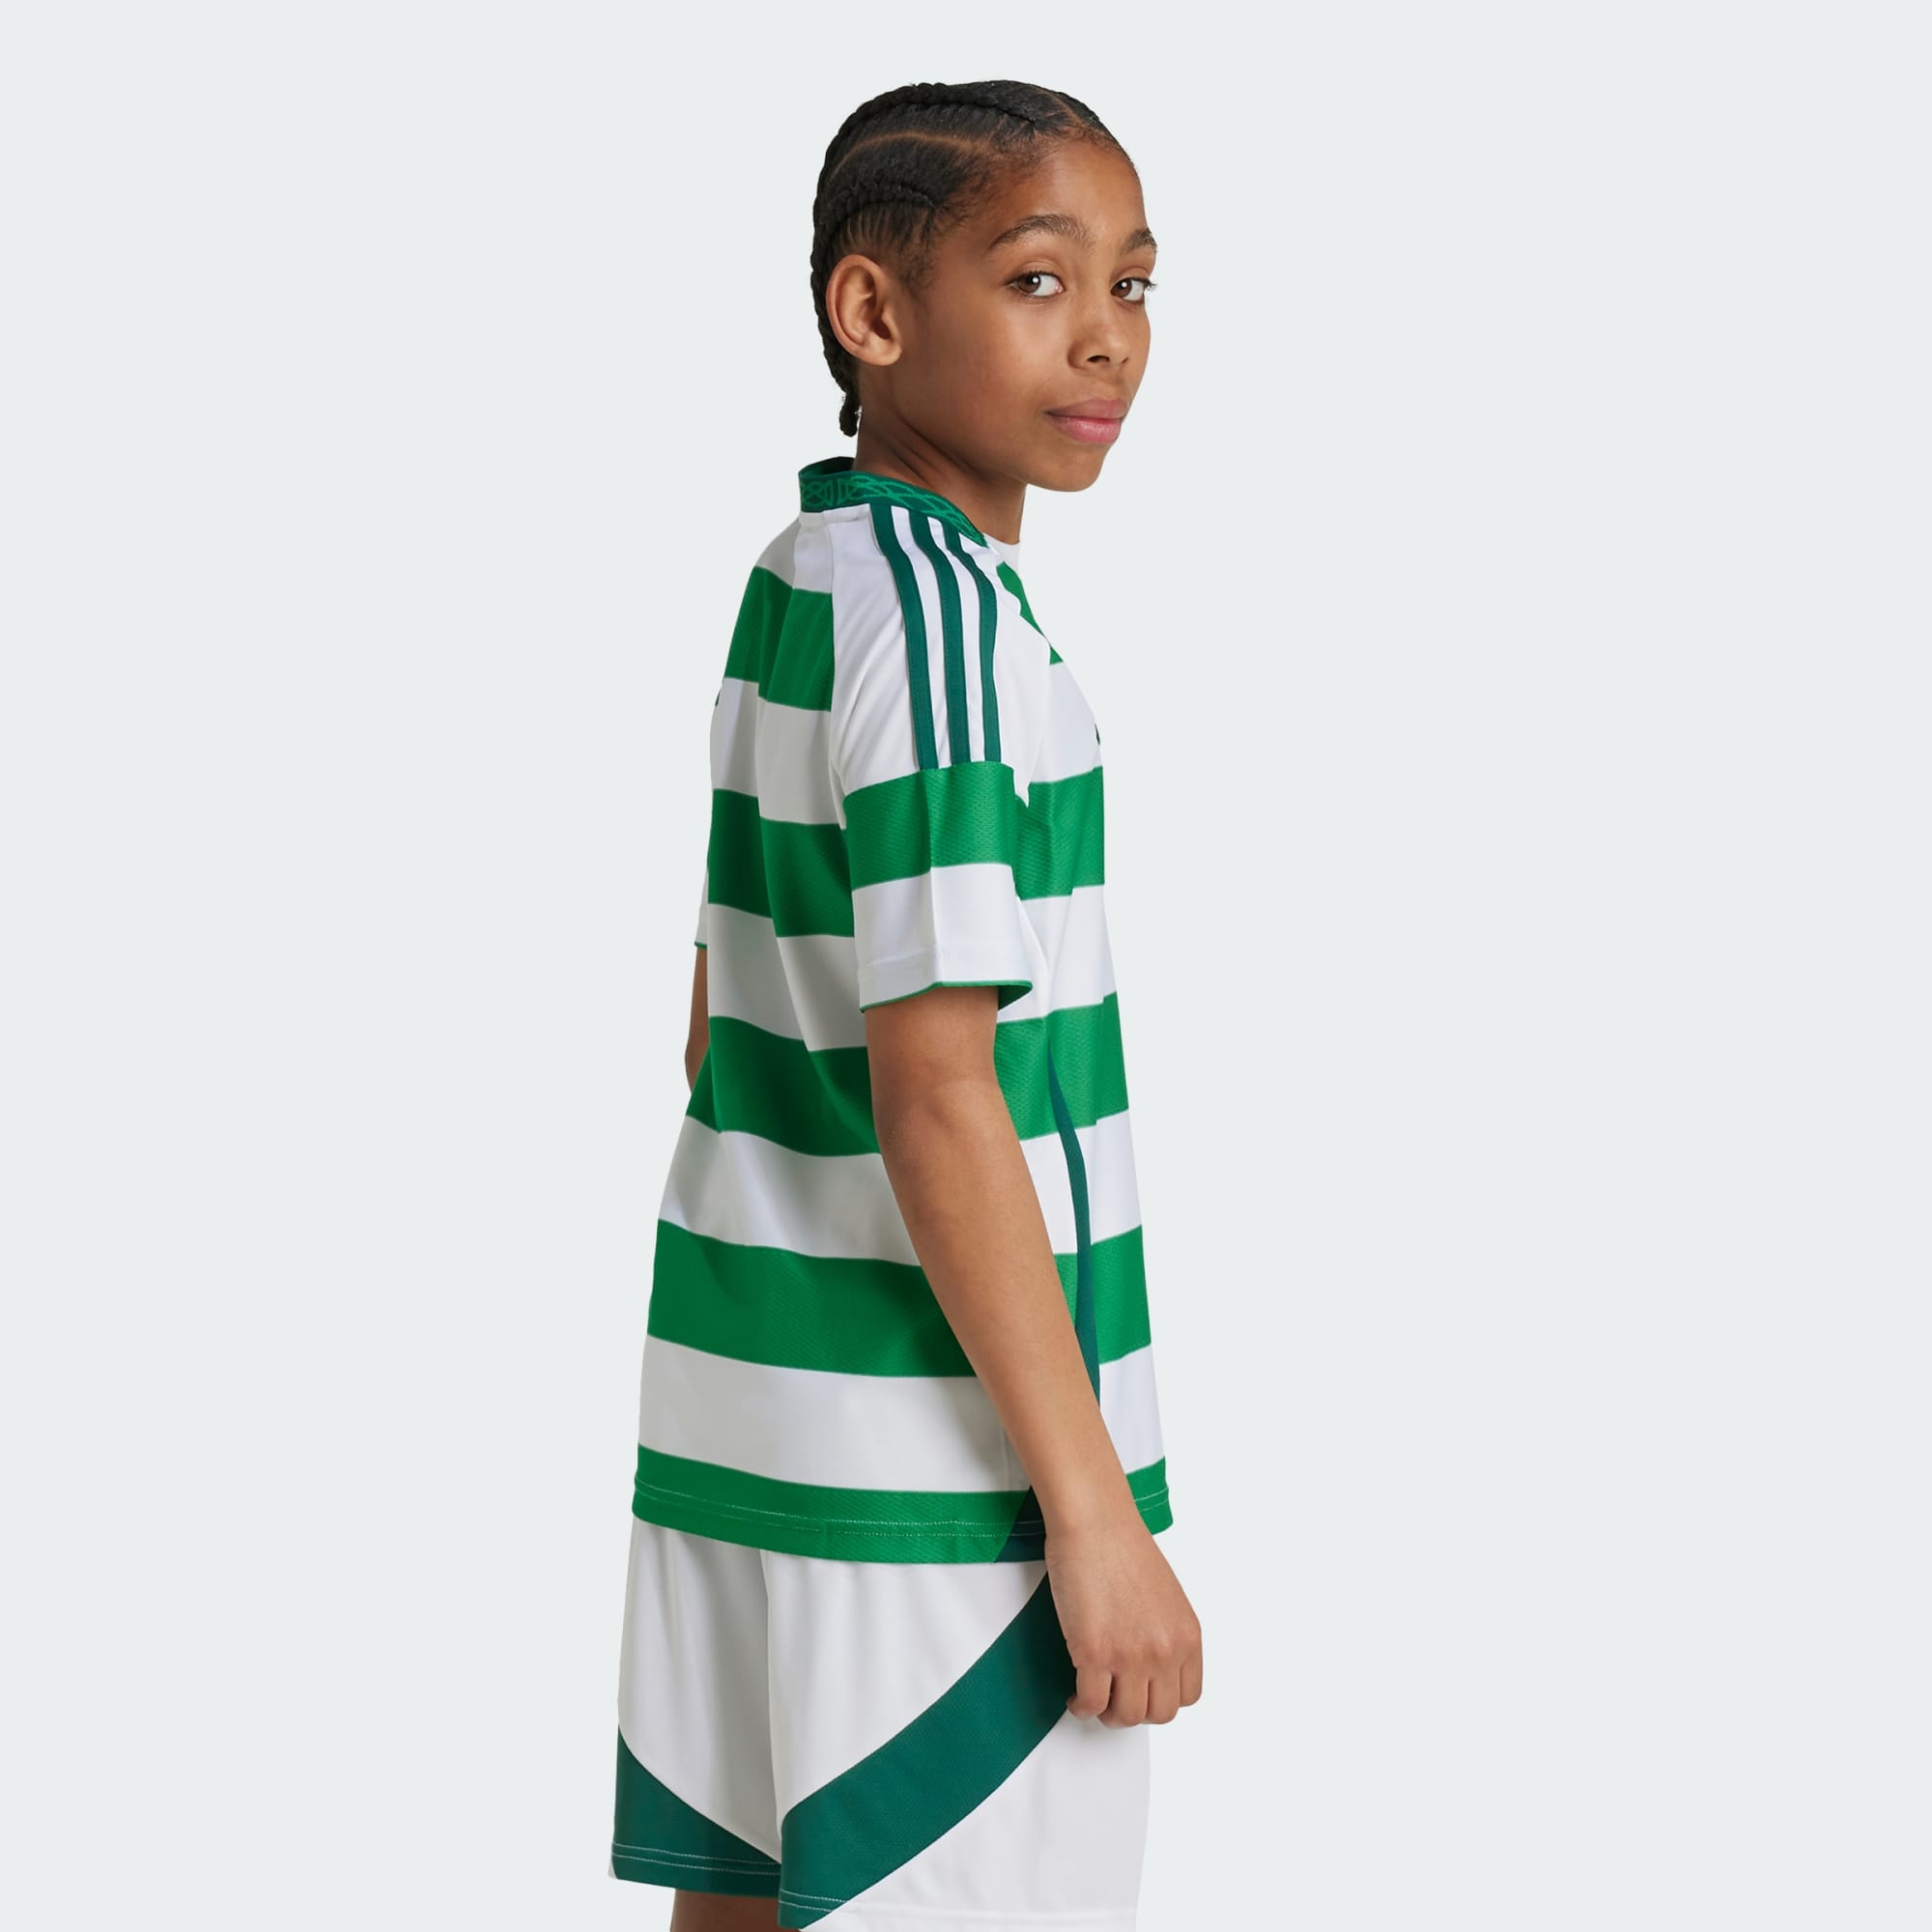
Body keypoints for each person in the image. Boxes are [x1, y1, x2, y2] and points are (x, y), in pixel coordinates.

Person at [611, 78, 1203, 1931]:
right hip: (934, 1481)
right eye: (1038, 279)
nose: (1106, 335)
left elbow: (720, 1015)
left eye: (1133, 282)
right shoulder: (944, 632)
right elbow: (940, 1092)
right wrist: (1091, 1515)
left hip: (753, 1427)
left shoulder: (805, 578)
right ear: (872, 313)